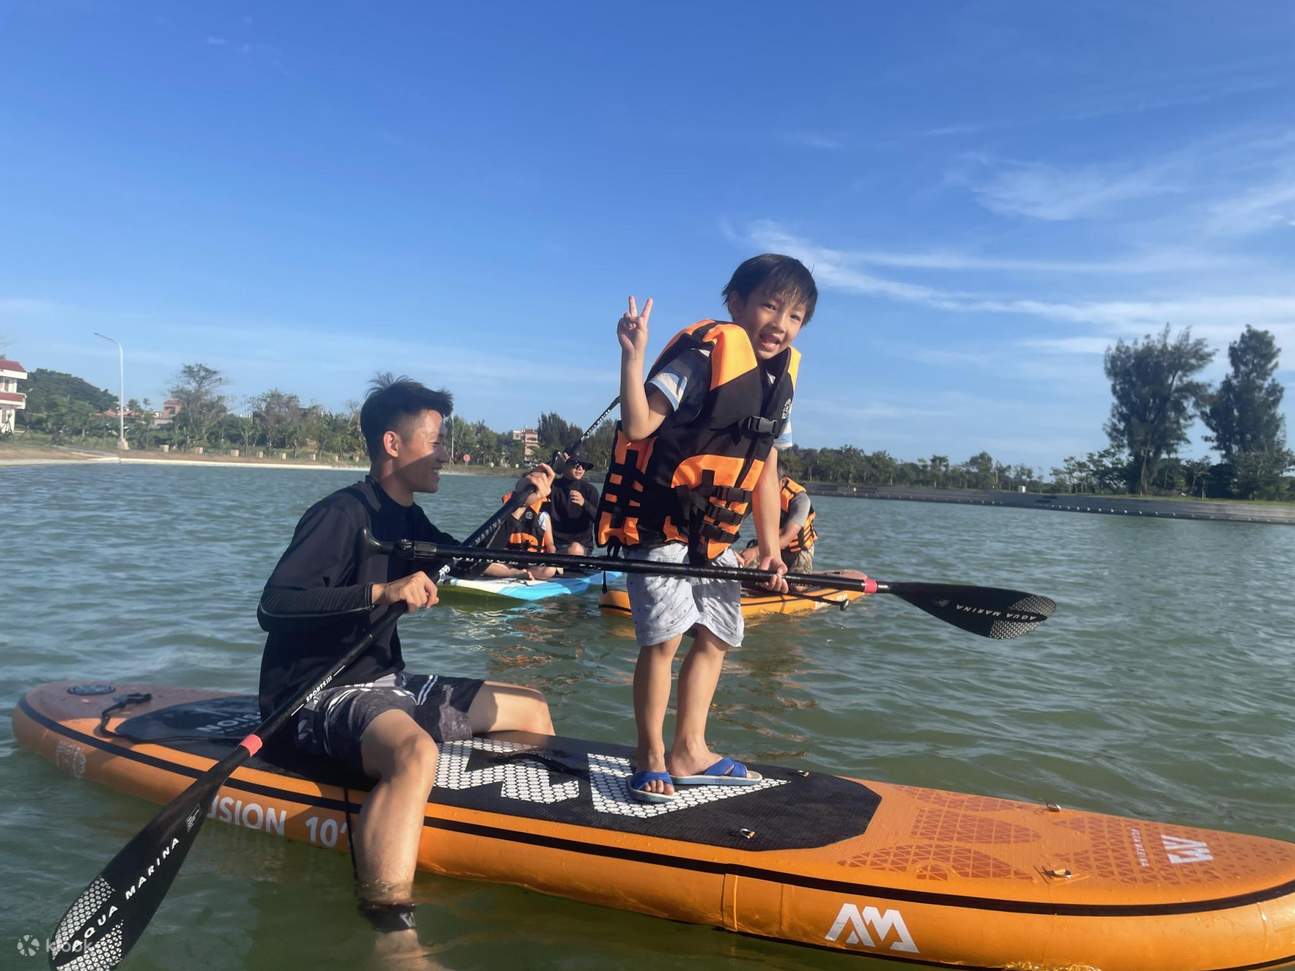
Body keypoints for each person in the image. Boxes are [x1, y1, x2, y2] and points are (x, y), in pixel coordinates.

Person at [257, 376, 556, 963]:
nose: (445, 454)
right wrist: (381, 590)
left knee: (528, 704)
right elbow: (275, 605)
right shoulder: (340, 515)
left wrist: (522, 504)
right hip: (318, 695)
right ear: (393, 444)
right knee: (415, 753)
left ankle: (497, 834)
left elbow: (465, 558)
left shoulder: (409, 519)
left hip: (387, 683)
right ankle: (391, 934)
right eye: (436, 441)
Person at [595, 253, 816, 803]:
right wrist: (633, 355)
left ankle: (690, 749)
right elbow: (640, 423)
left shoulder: (781, 379)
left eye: (795, 316)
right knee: (664, 639)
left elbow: (765, 467)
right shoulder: (702, 355)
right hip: (660, 528)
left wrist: (770, 550)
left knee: (718, 635)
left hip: (715, 536)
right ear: (735, 301)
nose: (780, 325)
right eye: (770, 305)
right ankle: (649, 754)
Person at [738, 474, 817, 574]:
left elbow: (786, 537)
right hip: (766, 547)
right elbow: (737, 519)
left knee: (796, 586)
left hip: (797, 551)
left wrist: (754, 552)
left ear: (782, 482)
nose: (767, 487)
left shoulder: (800, 499)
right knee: (742, 570)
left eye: (772, 483)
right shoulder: (758, 491)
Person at [487, 488, 559, 580]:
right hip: (509, 561)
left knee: (549, 570)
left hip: (533, 562)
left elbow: (550, 545)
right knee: (481, 565)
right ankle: (513, 573)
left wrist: (552, 558)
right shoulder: (506, 513)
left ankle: (522, 573)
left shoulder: (543, 516)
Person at [547, 453, 599, 555]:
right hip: (553, 544)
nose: (580, 468)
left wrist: (584, 504)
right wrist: (555, 464)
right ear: (565, 465)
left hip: (581, 546)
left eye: (584, 465)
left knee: (575, 549)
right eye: (576, 464)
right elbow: (530, 480)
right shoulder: (552, 486)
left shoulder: (590, 490)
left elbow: (600, 520)